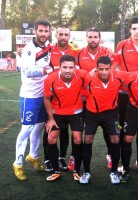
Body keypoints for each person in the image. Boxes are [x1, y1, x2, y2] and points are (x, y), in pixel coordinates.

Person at [112, 16, 138, 172]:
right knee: (124, 128)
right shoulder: (122, 45)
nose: (136, 31)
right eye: (134, 28)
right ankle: (123, 163)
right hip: (124, 93)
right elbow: (114, 65)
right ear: (130, 29)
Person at [13, 19, 52, 181]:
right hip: (30, 96)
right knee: (27, 129)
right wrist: (45, 70)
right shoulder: (29, 49)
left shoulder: (49, 45)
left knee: (38, 128)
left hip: (44, 96)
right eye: (40, 31)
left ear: (49, 32)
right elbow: (28, 71)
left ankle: (33, 156)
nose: (43, 34)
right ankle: (18, 163)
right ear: (35, 31)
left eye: (46, 31)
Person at [80, 56, 128, 185]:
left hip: (111, 113)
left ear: (111, 68)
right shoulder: (88, 76)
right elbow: (74, 70)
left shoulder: (118, 76)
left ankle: (114, 172)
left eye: (107, 69)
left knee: (116, 139)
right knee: (88, 139)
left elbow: (135, 74)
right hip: (92, 113)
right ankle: (86, 172)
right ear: (96, 69)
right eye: (101, 69)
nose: (104, 72)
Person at [43, 25, 81, 173]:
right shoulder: (48, 50)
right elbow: (34, 56)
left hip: (69, 94)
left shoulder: (75, 51)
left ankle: (62, 157)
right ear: (56, 35)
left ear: (69, 37)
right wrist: (21, 53)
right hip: (50, 92)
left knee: (65, 128)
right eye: (61, 34)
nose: (63, 37)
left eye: (66, 34)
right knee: (49, 129)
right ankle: (48, 159)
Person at [44, 54, 87, 181]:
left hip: (76, 112)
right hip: (57, 113)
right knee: (51, 138)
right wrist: (50, 119)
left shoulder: (81, 75)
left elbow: (95, 76)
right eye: (65, 67)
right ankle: (56, 170)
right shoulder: (50, 79)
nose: (68, 70)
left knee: (78, 139)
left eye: (70, 67)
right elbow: (46, 98)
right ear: (60, 67)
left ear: (75, 68)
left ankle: (76, 170)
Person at [77, 27, 113, 169]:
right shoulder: (78, 53)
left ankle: (110, 155)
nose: (93, 40)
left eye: (95, 37)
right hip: (85, 99)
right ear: (86, 38)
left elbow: (114, 66)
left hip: (103, 98)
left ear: (100, 38)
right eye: (90, 37)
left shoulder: (107, 52)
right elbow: (74, 70)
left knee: (107, 130)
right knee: (82, 131)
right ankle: (75, 158)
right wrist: (88, 74)